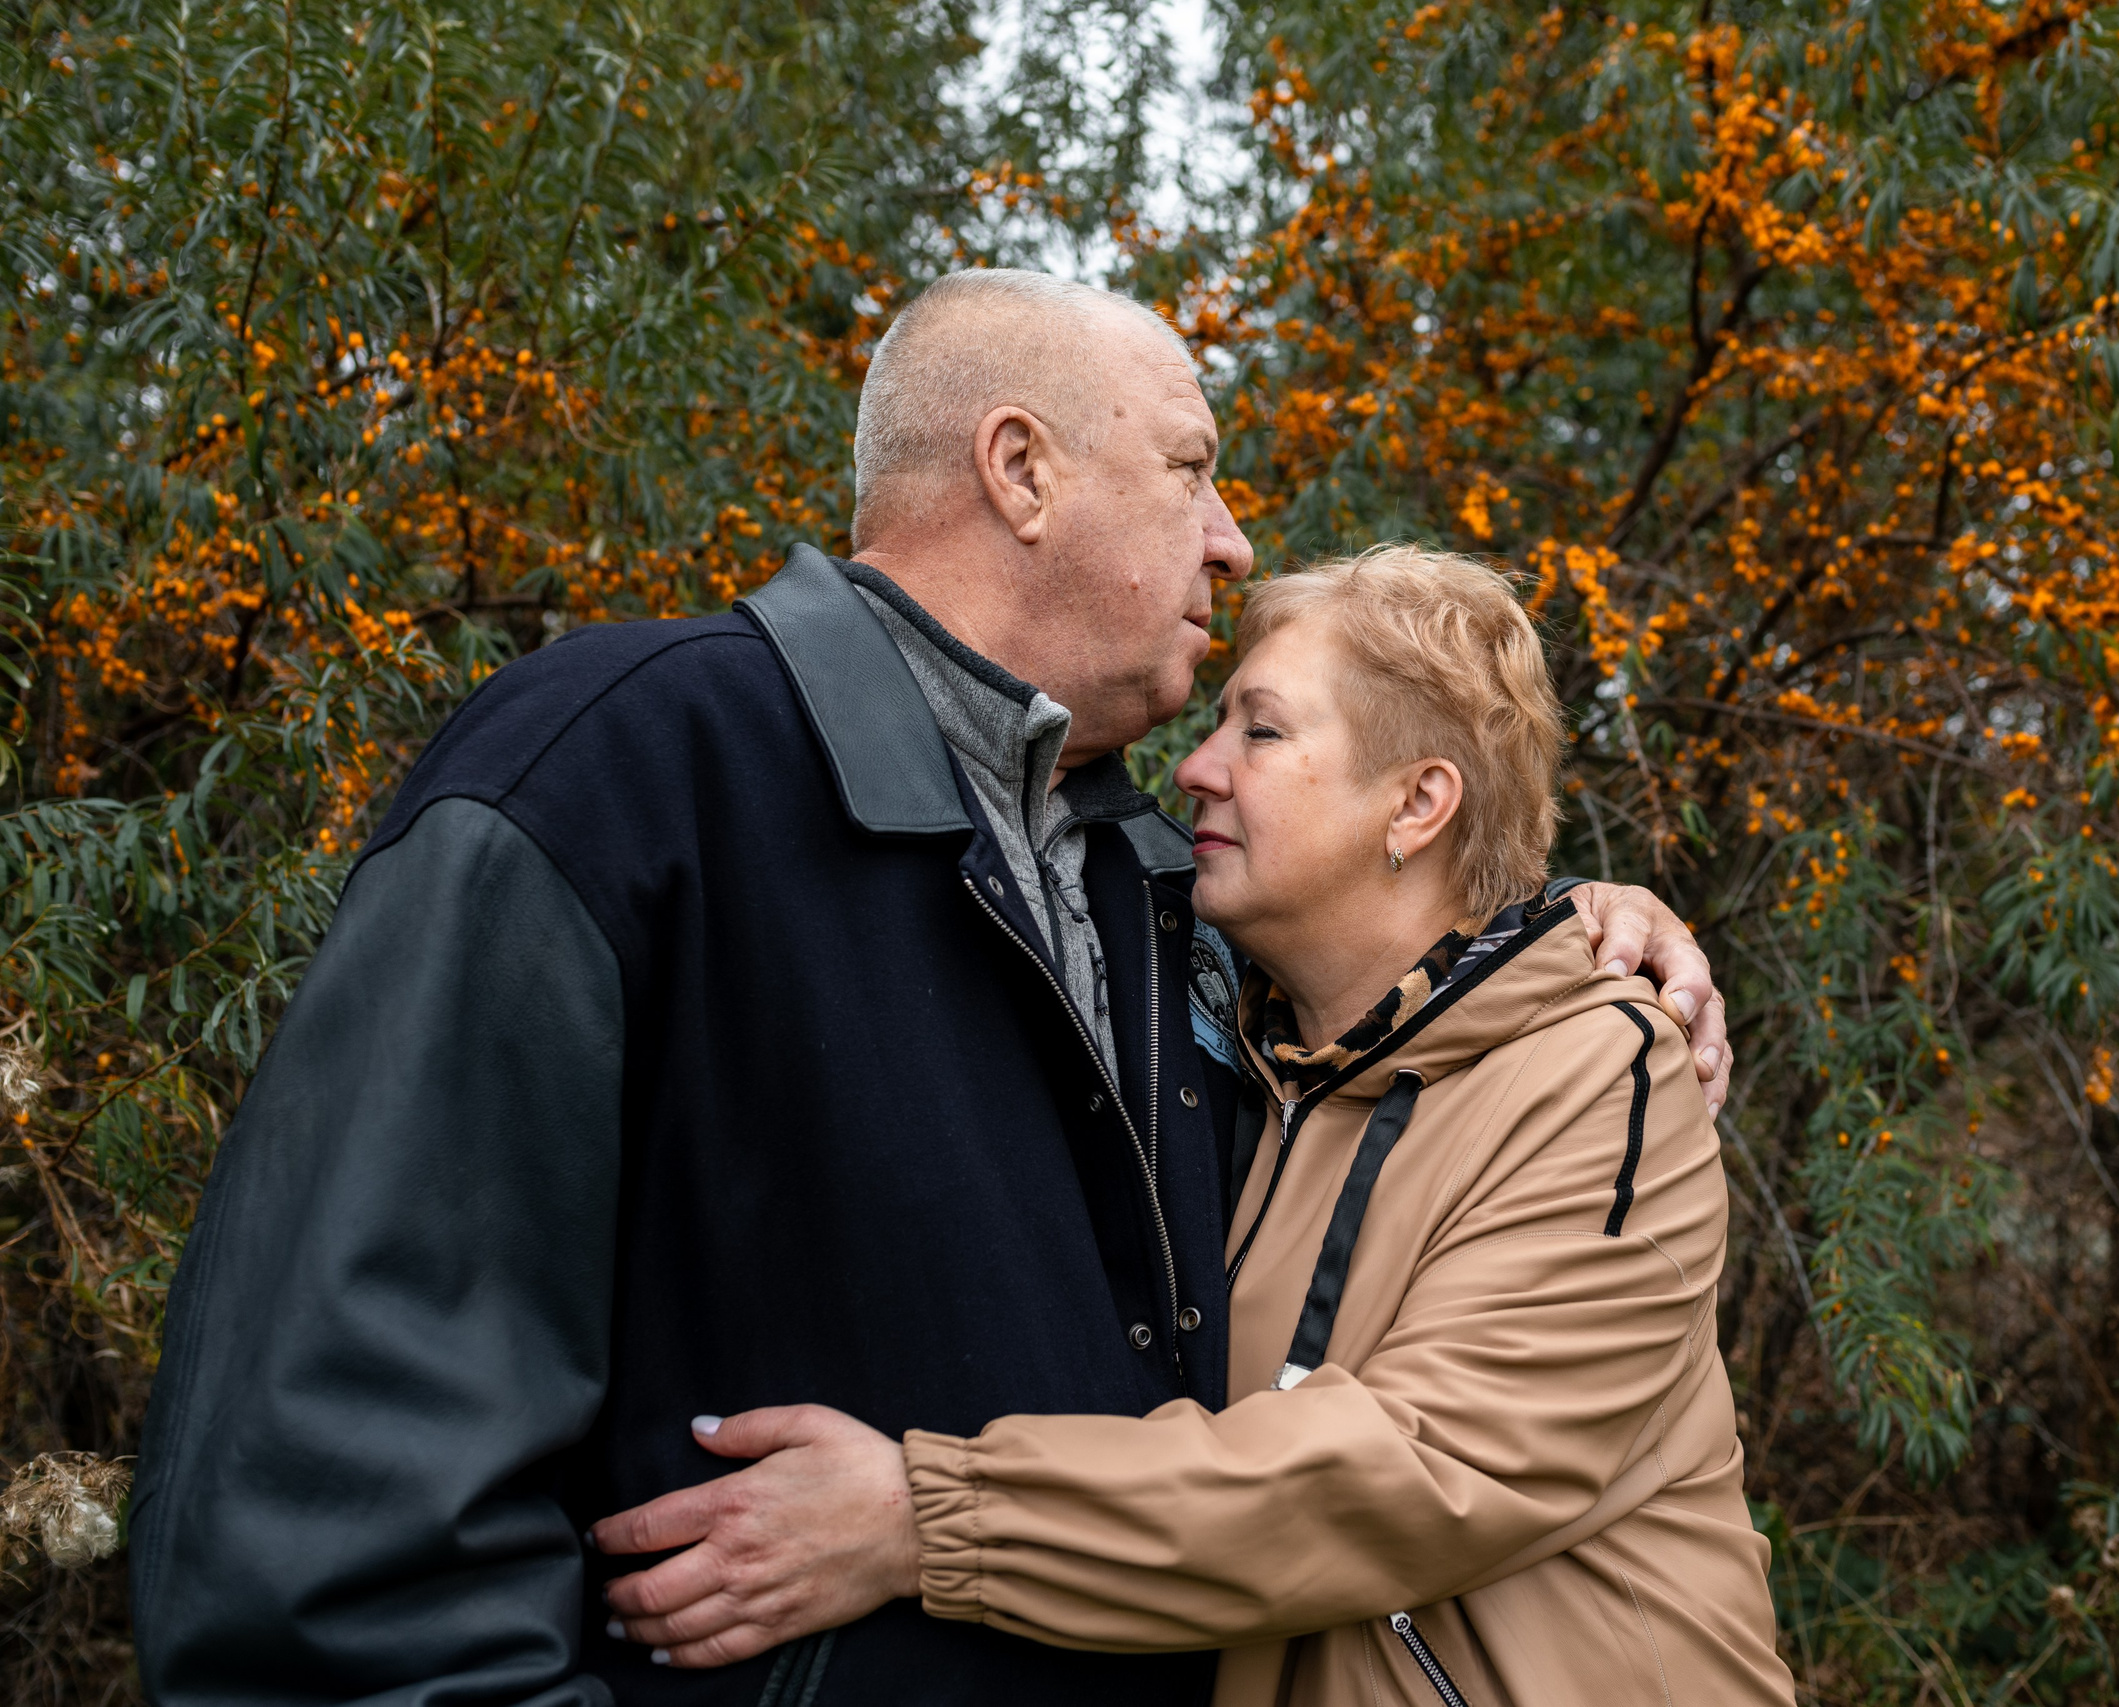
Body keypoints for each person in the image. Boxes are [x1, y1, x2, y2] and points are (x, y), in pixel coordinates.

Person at [127, 271, 1732, 1707]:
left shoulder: (1164, 886)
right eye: (1190, 465)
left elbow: (1418, 998)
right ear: (1020, 469)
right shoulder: (621, 769)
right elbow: (333, 1515)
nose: (1236, 536)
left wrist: (1577, 921)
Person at [587, 548, 1794, 1707]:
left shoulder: (1602, 1072)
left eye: (1260, 732)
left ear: (1420, 802)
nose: (1198, 769)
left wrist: (926, 1518)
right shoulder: (1236, 1059)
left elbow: (1424, 1471)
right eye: (1215, 725)